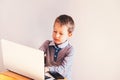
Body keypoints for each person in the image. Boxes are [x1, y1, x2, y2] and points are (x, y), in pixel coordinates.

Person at [39, 14, 75, 80]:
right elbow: (36, 56)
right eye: (55, 31)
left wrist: (48, 68)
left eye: (61, 33)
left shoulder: (70, 50)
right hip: (48, 76)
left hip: (62, 78)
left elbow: (63, 69)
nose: (56, 36)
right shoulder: (47, 44)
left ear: (69, 35)